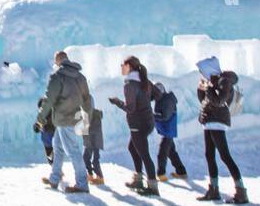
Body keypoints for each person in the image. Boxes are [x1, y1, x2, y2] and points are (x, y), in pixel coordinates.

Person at [35, 51, 93, 194]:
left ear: (58, 62)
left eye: (55, 63)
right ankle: (54, 179)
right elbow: (87, 100)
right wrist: (87, 119)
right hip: (74, 119)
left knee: (73, 151)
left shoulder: (57, 77)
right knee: (58, 148)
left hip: (62, 120)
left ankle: (82, 184)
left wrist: (40, 119)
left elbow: (49, 100)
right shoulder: (80, 77)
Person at [196, 56, 247, 203]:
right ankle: (213, 189)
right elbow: (205, 101)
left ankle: (241, 191)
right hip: (209, 120)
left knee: (225, 156)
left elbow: (219, 101)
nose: (201, 73)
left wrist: (209, 88)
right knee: (209, 155)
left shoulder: (224, 81)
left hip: (217, 121)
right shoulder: (214, 82)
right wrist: (202, 90)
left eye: (202, 70)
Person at [108, 56, 159, 196]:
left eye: (122, 65)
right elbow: (158, 93)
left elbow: (130, 108)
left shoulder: (130, 84)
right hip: (147, 121)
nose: (121, 67)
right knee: (132, 148)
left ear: (129, 66)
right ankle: (138, 179)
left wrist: (116, 101)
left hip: (138, 123)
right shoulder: (143, 80)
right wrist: (145, 102)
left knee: (144, 154)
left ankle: (153, 187)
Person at [151, 81, 188, 181]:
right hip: (166, 130)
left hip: (168, 130)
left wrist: (152, 116)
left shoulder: (167, 100)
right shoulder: (161, 99)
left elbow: (165, 116)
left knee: (162, 152)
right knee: (171, 152)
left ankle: (161, 173)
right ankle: (181, 171)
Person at [79, 105, 105, 186]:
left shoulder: (91, 115)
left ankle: (99, 177)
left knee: (93, 159)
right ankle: (91, 175)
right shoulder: (91, 114)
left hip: (93, 140)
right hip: (92, 140)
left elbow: (89, 129)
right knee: (87, 158)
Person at [36, 98, 55, 163]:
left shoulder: (53, 113)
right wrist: (37, 127)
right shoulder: (41, 116)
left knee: (54, 155)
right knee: (50, 156)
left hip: (52, 137)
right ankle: (55, 169)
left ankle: (56, 169)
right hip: (47, 139)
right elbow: (37, 125)